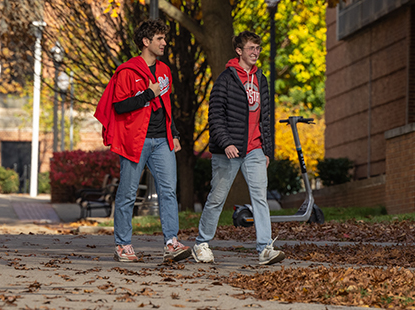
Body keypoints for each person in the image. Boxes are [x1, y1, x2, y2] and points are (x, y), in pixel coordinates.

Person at [94, 19, 190, 264]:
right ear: (146, 42)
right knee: (127, 194)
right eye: (160, 39)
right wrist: (149, 94)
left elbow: (165, 105)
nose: (164, 43)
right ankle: (123, 245)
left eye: (164, 39)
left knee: (169, 192)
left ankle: (171, 243)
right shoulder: (127, 71)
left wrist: (174, 133)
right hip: (136, 141)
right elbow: (120, 106)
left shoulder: (165, 71)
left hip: (162, 140)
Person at [191, 31, 284, 266]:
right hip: (228, 151)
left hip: (255, 149)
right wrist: (227, 143)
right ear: (239, 51)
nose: (255, 52)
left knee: (260, 198)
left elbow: (266, 118)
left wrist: (267, 150)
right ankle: (201, 243)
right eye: (251, 48)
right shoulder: (225, 80)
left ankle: (265, 248)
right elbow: (215, 117)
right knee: (217, 198)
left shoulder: (261, 79)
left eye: (258, 48)